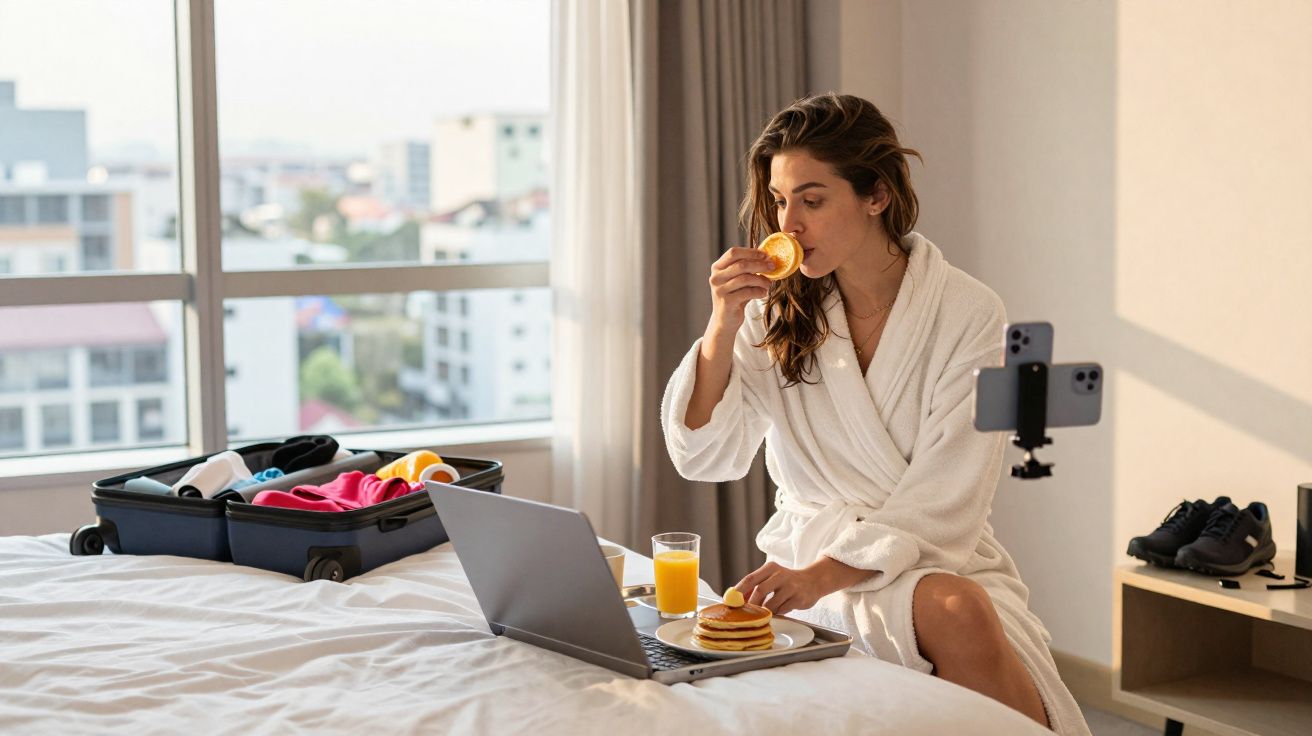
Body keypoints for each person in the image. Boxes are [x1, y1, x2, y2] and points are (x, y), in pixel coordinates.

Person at [660, 93, 1089, 735]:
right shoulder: (772, 310)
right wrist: (722, 325)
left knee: (961, 606)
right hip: (809, 551)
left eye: (812, 199)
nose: (789, 224)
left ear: (876, 196)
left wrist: (819, 578)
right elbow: (703, 456)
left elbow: (950, 494)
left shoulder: (967, 311)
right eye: (779, 200)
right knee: (959, 612)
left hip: (923, 551)